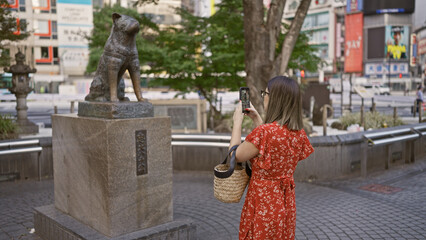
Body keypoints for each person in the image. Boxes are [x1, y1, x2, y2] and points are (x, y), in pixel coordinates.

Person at [229, 76, 314, 239]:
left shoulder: (265, 133)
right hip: (285, 201)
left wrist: (237, 122)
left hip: (263, 201)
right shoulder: (299, 133)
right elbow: (269, 145)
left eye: (265, 93)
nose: (264, 97)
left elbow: (235, 155)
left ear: (275, 98)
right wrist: (256, 118)